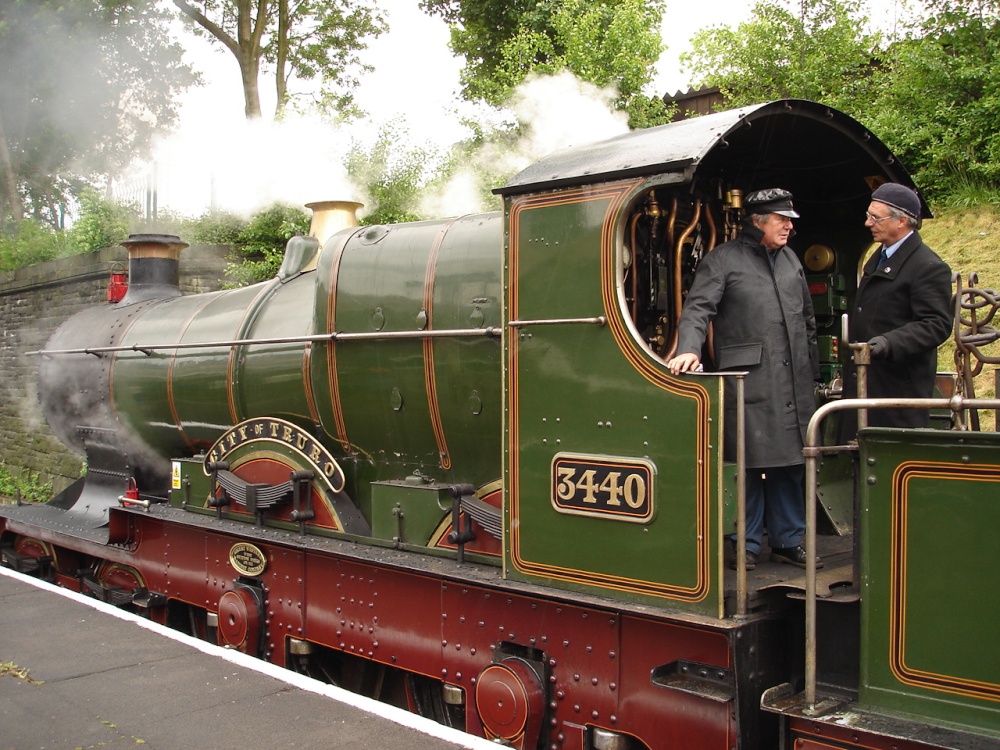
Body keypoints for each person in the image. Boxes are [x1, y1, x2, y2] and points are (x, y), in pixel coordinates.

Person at [667, 189, 821, 570]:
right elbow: (698, 309)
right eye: (780, 219)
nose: (788, 225)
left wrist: (811, 370)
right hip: (749, 378)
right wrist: (689, 349)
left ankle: (789, 539)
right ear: (757, 222)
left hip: (794, 379)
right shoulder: (722, 261)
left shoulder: (791, 261)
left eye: (790, 219)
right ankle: (744, 543)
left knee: (790, 461)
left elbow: (807, 321)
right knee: (748, 463)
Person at [845, 183, 952, 428]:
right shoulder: (879, 257)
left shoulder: (928, 267)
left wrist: (887, 343)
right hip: (865, 384)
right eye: (867, 215)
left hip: (897, 394)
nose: (868, 223)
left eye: (875, 217)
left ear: (901, 221)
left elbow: (936, 324)